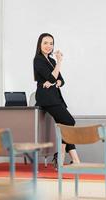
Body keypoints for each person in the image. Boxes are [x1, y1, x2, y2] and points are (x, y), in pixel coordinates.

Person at [33, 33, 80, 167]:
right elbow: (52, 77)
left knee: (65, 127)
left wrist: (54, 81)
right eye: (45, 43)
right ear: (40, 44)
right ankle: (60, 155)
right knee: (69, 121)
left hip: (55, 96)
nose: (49, 46)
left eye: (51, 43)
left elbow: (60, 80)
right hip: (46, 98)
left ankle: (75, 160)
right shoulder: (38, 60)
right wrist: (59, 63)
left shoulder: (52, 61)